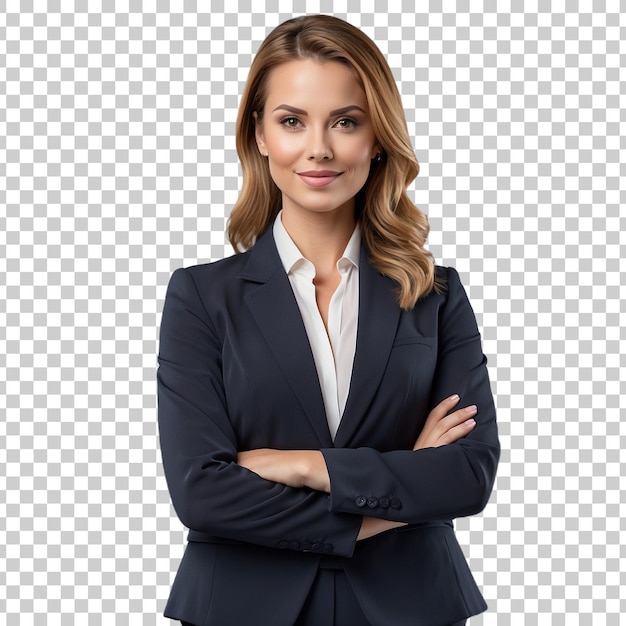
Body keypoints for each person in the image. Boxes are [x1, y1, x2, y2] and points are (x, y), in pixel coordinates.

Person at [157, 14, 499, 626]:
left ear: (377, 138)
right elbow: (202, 493)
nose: (319, 147)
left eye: (345, 121)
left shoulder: (434, 294)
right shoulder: (201, 297)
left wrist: (302, 465)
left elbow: (467, 475)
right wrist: (394, 496)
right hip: (241, 606)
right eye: (292, 121)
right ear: (259, 135)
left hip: (410, 606)